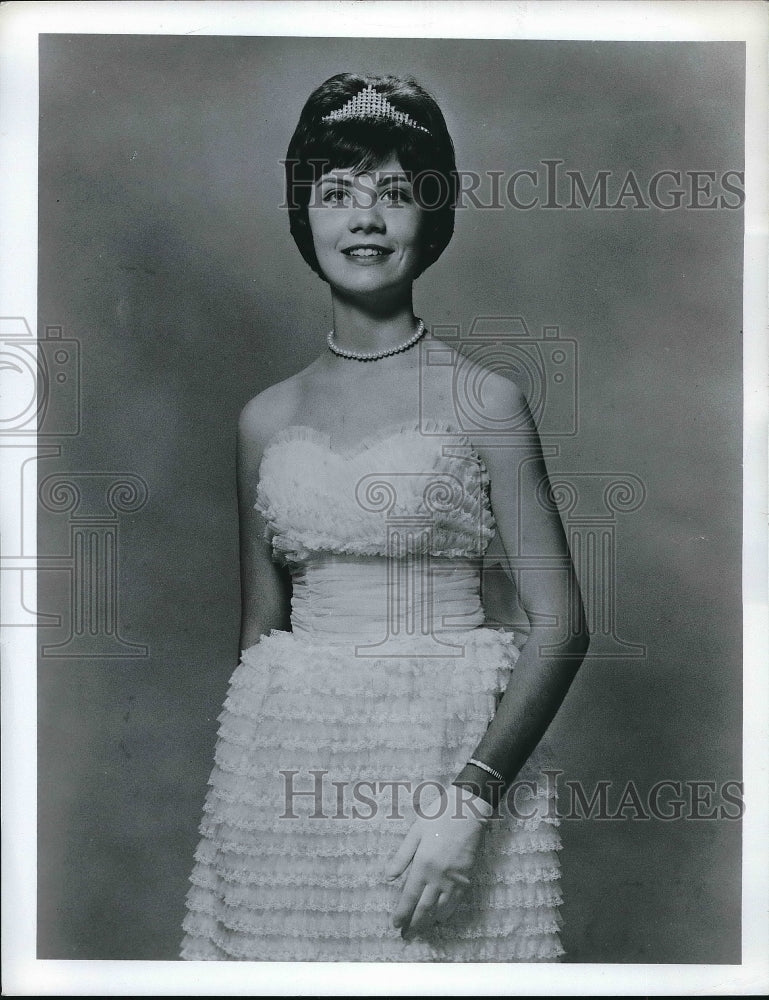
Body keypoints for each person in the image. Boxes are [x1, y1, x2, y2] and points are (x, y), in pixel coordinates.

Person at [180, 72, 589, 962]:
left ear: (429, 221)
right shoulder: (264, 418)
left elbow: (559, 626)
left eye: (394, 193)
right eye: (336, 194)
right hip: (283, 770)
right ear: (306, 218)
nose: (364, 218)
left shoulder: (485, 400)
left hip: (445, 756)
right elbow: (261, 629)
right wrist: (245, 807)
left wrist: (469, 801)